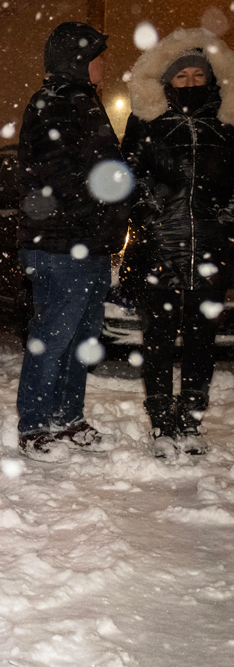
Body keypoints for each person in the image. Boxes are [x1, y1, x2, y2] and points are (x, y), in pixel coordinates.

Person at [15, 22, 130, 462]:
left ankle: (67, 417)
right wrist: (93, 216)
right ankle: (35, 425)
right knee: (53, 336)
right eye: (96, 54)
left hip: (89, 245)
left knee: (81, 338)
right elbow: (58, 171)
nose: (103, 63)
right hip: (61, 245)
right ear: (78, 59)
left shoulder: (82, 101)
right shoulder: (55, 102)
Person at [120, 29, 234, 459]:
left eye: (196, 74)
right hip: (158, 247)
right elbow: (126, 175)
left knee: (202, 340)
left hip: (209, 247)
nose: (190, 82)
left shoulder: (226, 123)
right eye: (181, 76)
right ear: (168, 80)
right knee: (160, 341)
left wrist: (224, 219)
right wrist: (152, 215)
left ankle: (191, 419)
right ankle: (162, 421)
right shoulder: (147, 119)